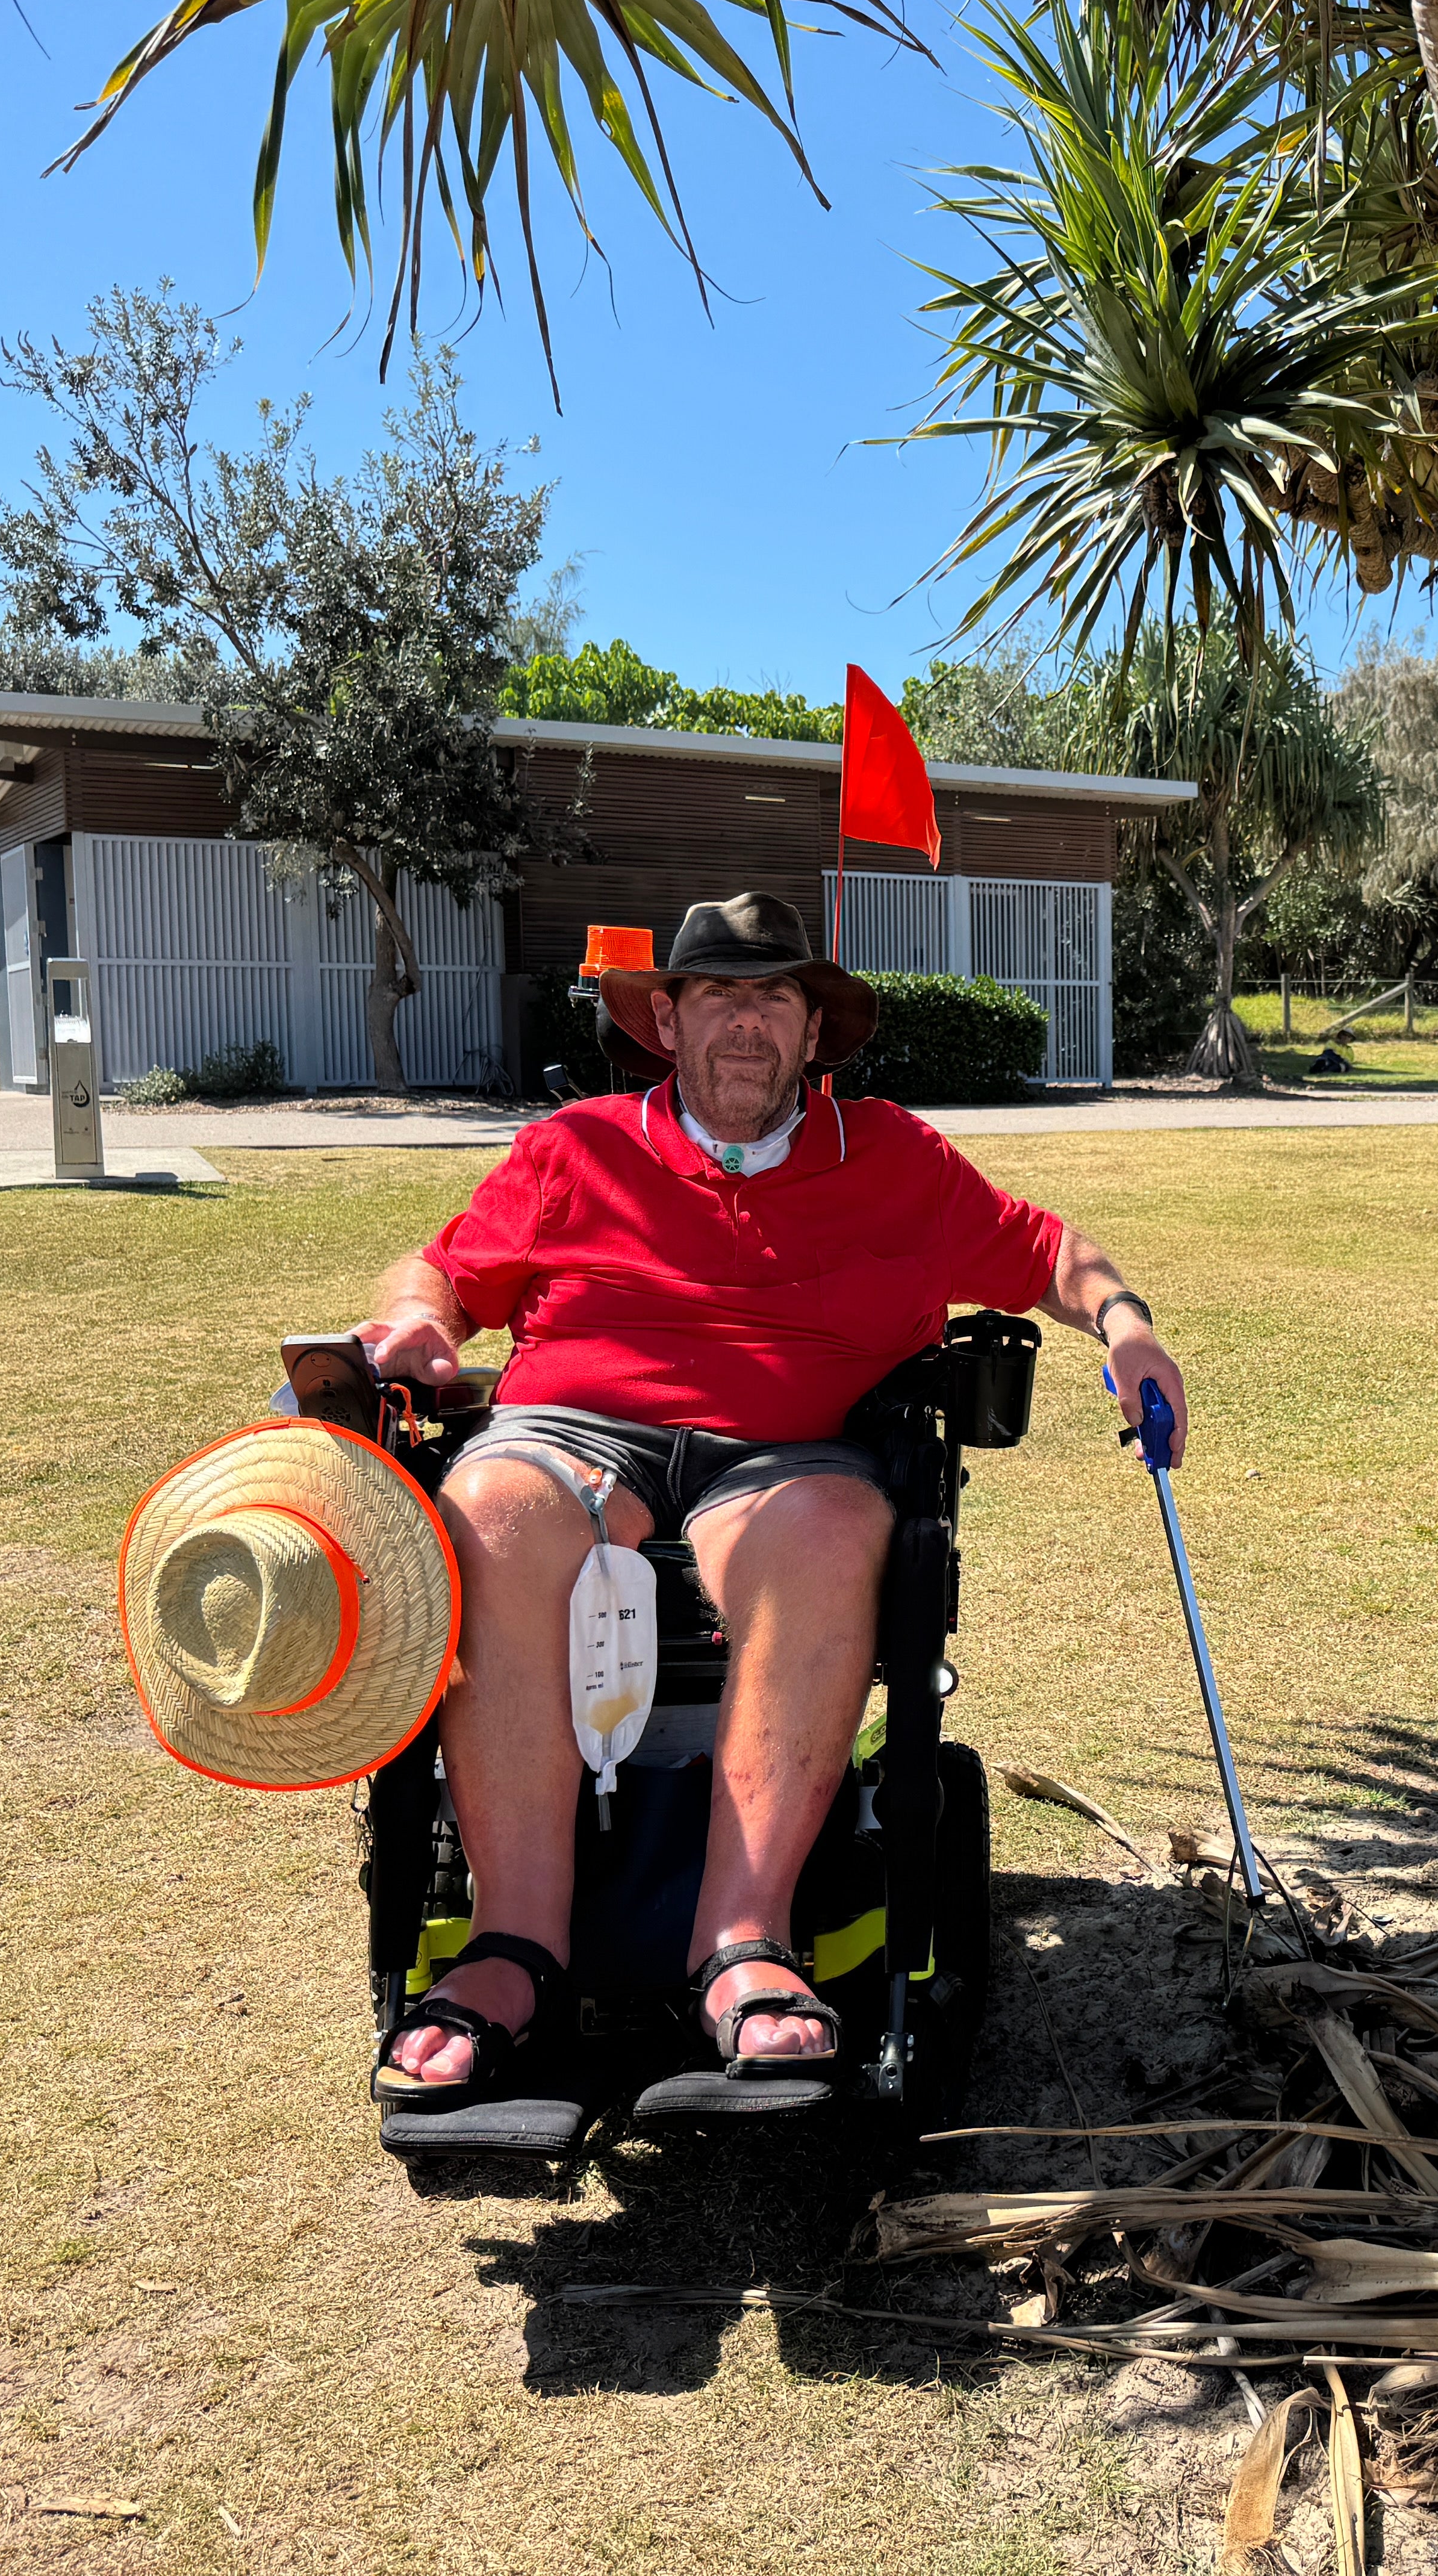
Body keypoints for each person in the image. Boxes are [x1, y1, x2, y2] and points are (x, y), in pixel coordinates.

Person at [355, 894, 1188, 2098]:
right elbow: (437, 1267)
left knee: (835, 1526)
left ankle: (740, 1938)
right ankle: (514, 1941)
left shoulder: (893, 1156)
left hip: (784, 1457)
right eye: (716, 995)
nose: (744, 1021)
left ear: (811, 1035)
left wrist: (1127, 1327)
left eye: (774, 997)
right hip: (580, 1431)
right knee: (485, 1511)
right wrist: (423, 1320)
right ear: (669, 1022)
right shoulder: (575, 1149)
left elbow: (1051, 1251)